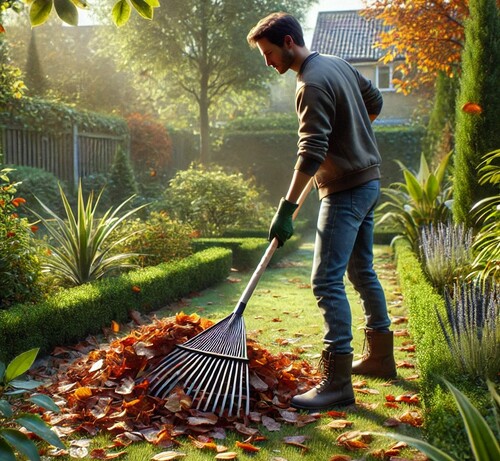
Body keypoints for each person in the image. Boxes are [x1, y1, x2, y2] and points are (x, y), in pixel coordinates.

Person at [247, 12, 396, 411]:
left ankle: (336, 382)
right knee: (362, 270)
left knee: (325, 281)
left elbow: (310, 152)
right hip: (369, 181)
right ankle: (381, 357)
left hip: (347, 190)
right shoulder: (338, 65)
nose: (269, 62)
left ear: (290, 41)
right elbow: (375, 102)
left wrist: (287, 208)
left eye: (269, 53)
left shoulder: (310, 83)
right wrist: (353, 137)